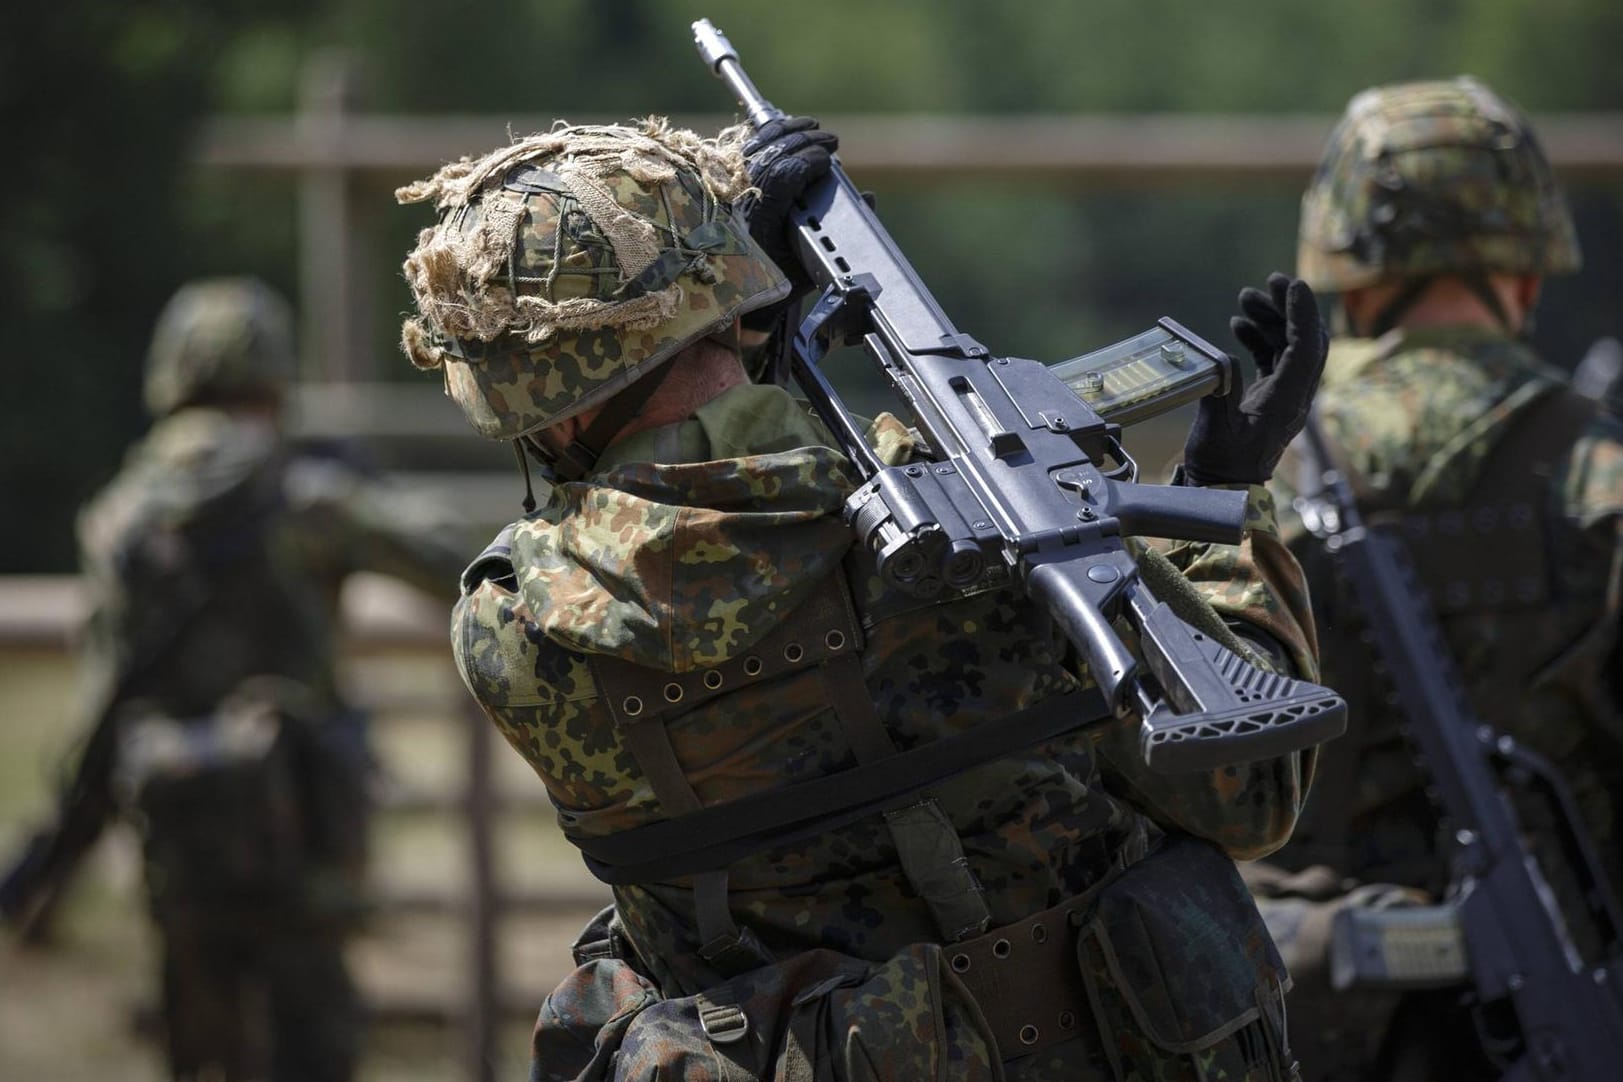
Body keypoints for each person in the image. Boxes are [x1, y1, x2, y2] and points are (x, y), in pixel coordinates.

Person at [397, 116, 1330, 1081]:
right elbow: (1251, 792)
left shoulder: (514, 628)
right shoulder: (966, 528)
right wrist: (1226, 492)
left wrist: (746, 342)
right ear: (727, 297)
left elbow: (711, 543)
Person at [1249, 77, 1623, 1081]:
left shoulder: (1252, 469)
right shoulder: (1601, 477)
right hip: (1540, 1025)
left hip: (1265, 1026)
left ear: (1345, 277)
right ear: (1531, 271)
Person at [4, 278, 471, 1082]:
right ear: (274, 378)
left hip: (179, 840)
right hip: (303, 841)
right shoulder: (306, 496)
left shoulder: (120, 514)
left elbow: (102, 701)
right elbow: (455, 562)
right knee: (313, 1055)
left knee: (199, 1057)